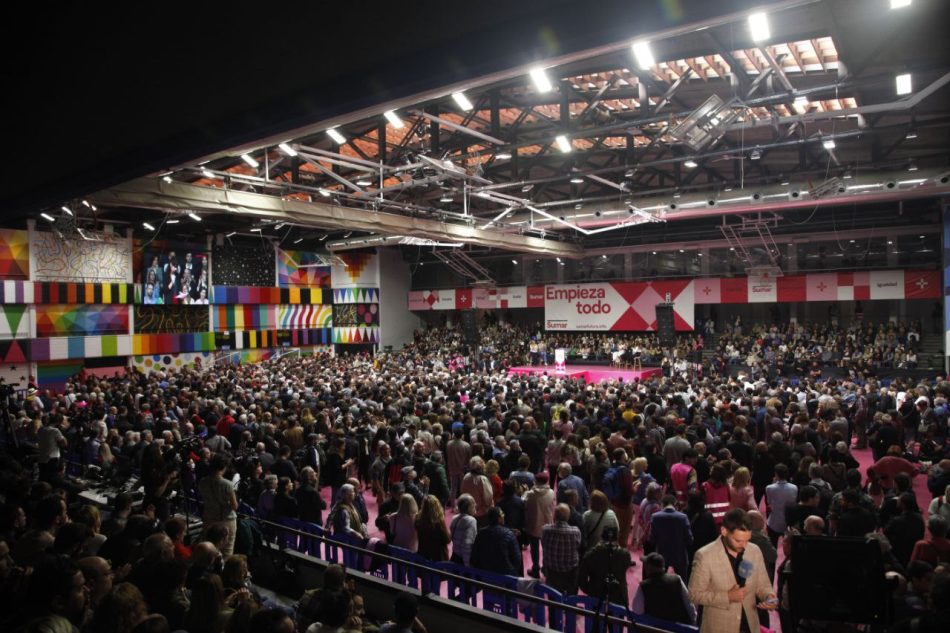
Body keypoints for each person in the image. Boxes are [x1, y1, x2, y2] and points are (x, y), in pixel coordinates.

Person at [688, 508, 777, 633]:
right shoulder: (705, 555)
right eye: (738, 540)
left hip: (750, 626)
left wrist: (770, 597)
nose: (744, 546)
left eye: (747, 540)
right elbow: (694, 594)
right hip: (719, 628)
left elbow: (763, 585)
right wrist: (727, 596)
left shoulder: (754, 550)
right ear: (724, 531)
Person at [631, 552, 696, 625]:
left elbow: (637, 610)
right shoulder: (677, 579)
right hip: (679, 628)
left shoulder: (644, 586)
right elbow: (690, 606)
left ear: (649, 567)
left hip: (655, 628)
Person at [578, 525, 631, 605]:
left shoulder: (591, 555)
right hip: (619, 599)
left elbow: (581, 579)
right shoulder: (625, 555)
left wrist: (591, 590)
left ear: (602, 537)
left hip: (596, 597)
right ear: (617, 537)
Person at [198, 453, 238, 557]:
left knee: (209, 549)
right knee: (226, 552)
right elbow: (234, 506)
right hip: (226, 521)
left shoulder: (202, 481)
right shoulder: (228, 484)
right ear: (224, 466)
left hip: (209, 518)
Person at [541, 503, 582, 595]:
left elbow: (543, 544)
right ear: (568, 517)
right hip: (571, 571)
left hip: (552, 571)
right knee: (571, 597)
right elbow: (578, 546)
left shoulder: (545, 529)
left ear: (555, 516)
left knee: (553, 598)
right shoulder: (575, 531)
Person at [649, 494, 693, 579]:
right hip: (680, 556)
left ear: (662, 504)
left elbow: (652, 540)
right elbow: (690, 539)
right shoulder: (683, 517)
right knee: (682, 585)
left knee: (659, 583)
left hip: (662, 556)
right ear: (675, 504)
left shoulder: (655, 517)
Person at [470, 506, 522, 576]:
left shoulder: (481, 533)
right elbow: (517, 560)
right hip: (506, 576)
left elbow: (474, 556)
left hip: (485, 574)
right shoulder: (509, 534)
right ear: (499, 518)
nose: (504, 515)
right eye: (502, 514)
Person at [524, 471, 555, 578]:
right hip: (547, 524)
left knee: (534, 548)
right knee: (546, 548)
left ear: (536, 481)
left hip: (533, 524)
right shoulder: (551, 492)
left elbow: (523, 502)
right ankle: (546, 568)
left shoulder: (531, 494)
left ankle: (535, 569)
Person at [885, 492, 926, 568]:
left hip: (899, 551)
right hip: (914, 550)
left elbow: (886, 532)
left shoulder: (896, 520)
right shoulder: (920, 518)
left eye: (899, 500)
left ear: (903, 505)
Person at [765, 463, 798, 547]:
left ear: (776, 474)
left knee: (772, 547)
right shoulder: (794, 487)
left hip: (774, 521)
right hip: (788, 521)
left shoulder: (769, 488)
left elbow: (769, 502)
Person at [460, 456, 494, 527]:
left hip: (468, 511)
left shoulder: (466, 476)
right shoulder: (482, 479)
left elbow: (462, 492)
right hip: (482, 513)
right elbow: (488, 498)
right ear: (481, 466)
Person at [448, 494, 477, 566]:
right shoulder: (471, 521)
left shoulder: (454, 518)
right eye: (474, 505)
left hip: (454, 556)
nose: (475, 506)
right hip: (463, 560)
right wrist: (467, 565)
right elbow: (466, 545)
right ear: (469, 507)